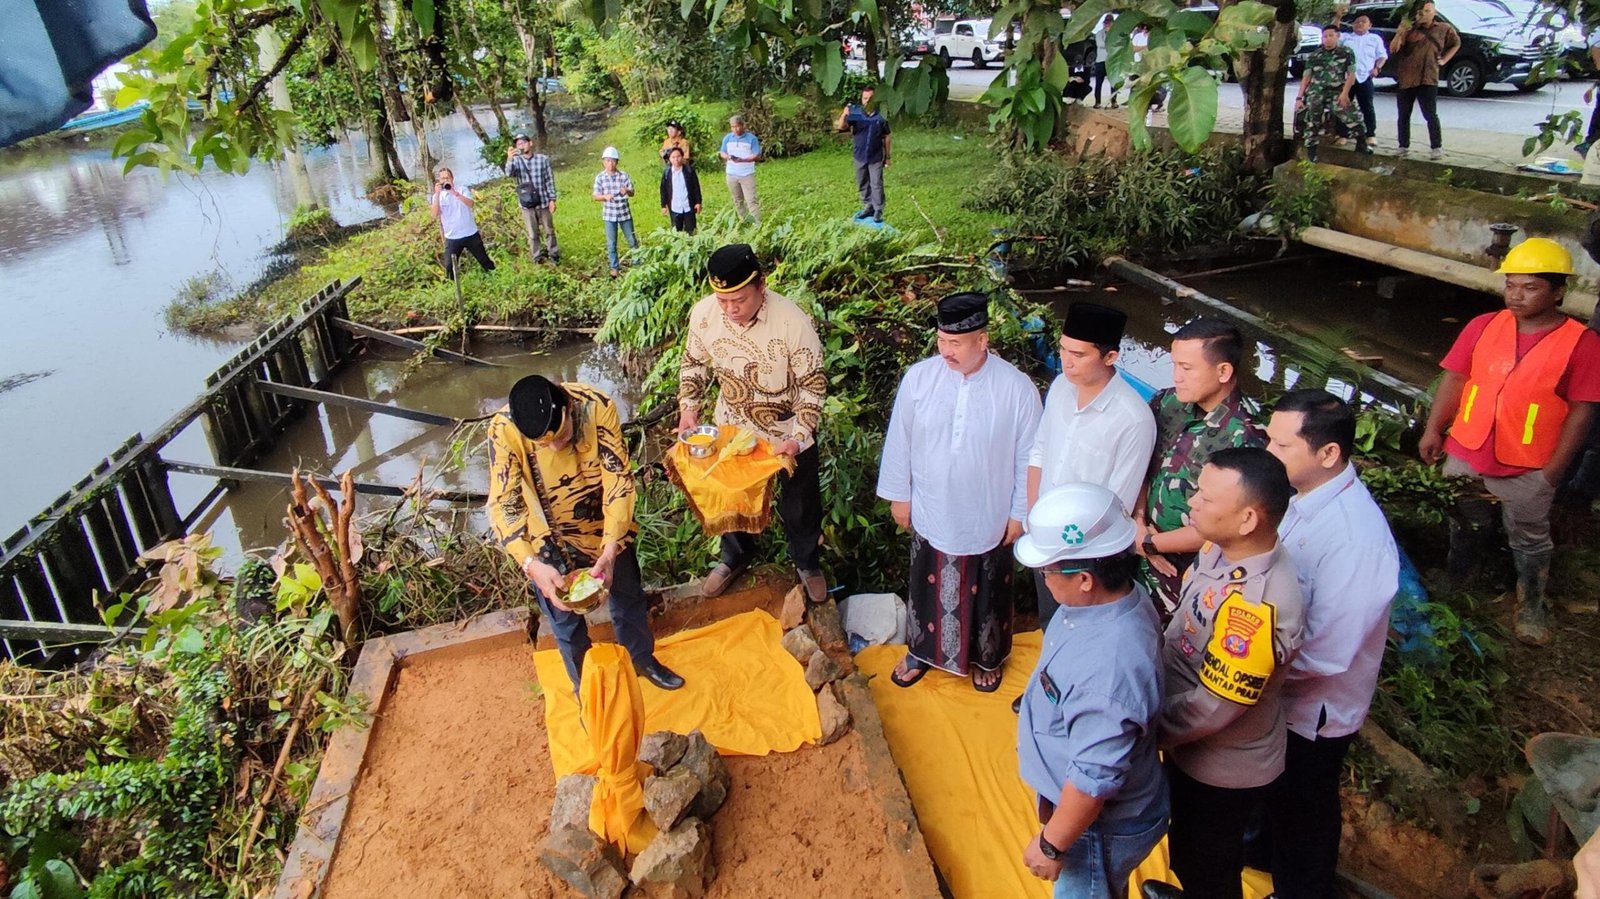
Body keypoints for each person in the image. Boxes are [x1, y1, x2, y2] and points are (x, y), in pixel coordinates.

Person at [1419, 237, 1600, 645]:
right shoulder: (1483, 326)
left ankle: (1531, 602)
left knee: (1529, 537)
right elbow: (1455, 379)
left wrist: (1553, 472)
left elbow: (1582, 413)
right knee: (1464, 518)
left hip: (1529, 463)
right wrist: (1434, 429)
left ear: (1558, 292)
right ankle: (1460, 577)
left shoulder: (1582, 343)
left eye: (1530, 287)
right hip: (1467, 449)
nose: (1516, 295)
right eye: (1511, 285)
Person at [1262, 390, 1399, 899]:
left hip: (1311, 709)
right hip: (1276, 689)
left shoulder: (1356, 539)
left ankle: (1300, 891)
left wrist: (1251, 680)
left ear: (1328, 453)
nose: (1269, 454)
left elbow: (1328, 650)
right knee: (1277, 797)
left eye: (1282, 446)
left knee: (1305, 806)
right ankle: (1263, 861)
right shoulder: (1299, 500)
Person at [1158, 447, 1305, 899]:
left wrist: (1143, 729)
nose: (1193, 502)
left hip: (1217, 762)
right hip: (1188, 742)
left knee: (1207, 867)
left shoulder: (1257, 608)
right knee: (1189, 850)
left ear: (1247, 520)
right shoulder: (1220, 548)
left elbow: (1212, 708)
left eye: (1206, 498)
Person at [877, 292, 1042, 692]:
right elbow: (900, 438)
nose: (946, 351)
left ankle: (987, 658)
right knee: (926, 583)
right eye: (941, 341)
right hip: (932, 505)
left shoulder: (1016, 388)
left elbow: (1031, 457)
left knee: (988, 589)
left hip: (988, 510)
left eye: (955, 343)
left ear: (982, 340)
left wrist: (1020, 512)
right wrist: (900, 494)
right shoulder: (920, 378)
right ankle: (921, 652)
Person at [1013, 483, 1168, 899]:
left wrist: (1052, 844)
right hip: (1097, 815)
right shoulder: (1107, 601)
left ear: (1084, 579)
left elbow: (1093, 777)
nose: (1044, 580)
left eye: (1047, 571)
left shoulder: (1108, 669)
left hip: (1097, 831)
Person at [486, 375, 684, 692]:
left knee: (628, 595)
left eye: (561, 436)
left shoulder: (597, 406)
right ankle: (587, 691)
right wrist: (531, 565)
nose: (556, 447)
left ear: (568, 406)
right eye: (545, 445)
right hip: (546, 539)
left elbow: (618, 480)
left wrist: (610, 549)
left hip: (604, 525)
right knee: (564, 621)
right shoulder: (504, 430)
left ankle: (642, 660)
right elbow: (504, 504)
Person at [677, 244, 828, 601]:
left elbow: (813, 387)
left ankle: (807, 562)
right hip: (733, 426)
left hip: (786, 431)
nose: (730, 309)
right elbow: (694, 364)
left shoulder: (792, 323)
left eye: (739, 300)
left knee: (800, 502)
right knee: (731, 494)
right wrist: (688, 408)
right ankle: (735, 556)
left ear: (761, 284)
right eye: (723, 300)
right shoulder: (704, 315)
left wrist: (799, 436)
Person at [1027, 302, 1156, 628]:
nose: (1066, 362)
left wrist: (1068, 552)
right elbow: (1040, 452)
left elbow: (1117, 505)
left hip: (1087, 556)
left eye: (1079, 354)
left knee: (1083, 629)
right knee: (1050, 622)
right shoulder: (1060, 387)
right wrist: (1034, 521)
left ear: (1110, 357)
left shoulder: (1133, 419)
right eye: (1062, 350)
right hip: (1045, 538)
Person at [1137, 318, 1266, 613]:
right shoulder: (1168, 403)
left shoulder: (1245, 438)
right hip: (1136, 551)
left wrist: (1151, 543)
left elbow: (1229, 525)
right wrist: (1138, 522)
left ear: (1223, 372)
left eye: (1187, 368)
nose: (1176, 376)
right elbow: (1140, 461)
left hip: (1185, 582)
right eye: (1174, 365)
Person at [1388, 0, 1458, 160]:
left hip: (1428, 77)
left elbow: (1456, 43)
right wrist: (1400, 33)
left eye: (1427, 11)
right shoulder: (1410, 29)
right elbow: (1394, 49)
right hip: (1407, 77)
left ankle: (1436, 147)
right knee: (1403, 114)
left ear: (1434, 13)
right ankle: (1403, 146)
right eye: (1421, 12)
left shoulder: (1443, 28)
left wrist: (1444, 60)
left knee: (1430, 114)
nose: (1423, 15)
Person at [1296, 25, 1369, 161]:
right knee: (1312, 121)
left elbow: (1351, 74)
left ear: (1337, 36)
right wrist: (1299, 98)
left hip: (1337, 91)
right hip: (1317, 91)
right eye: (1325, 36)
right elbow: (1306, 77)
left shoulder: (1346, 52)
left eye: (1331, 36)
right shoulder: (1315, 55)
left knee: (1352, 114)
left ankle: (1361, 143)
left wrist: (1345, 93)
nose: (1327, 39)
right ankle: (1312, 152)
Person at [836, 85, 892, 223]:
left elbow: (887, 136)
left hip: (875, 156)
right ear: (861, 99)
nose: (867, 101)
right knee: (862, 182)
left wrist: (887, 157)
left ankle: (878, 209)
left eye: (870, 98)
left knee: (876, 183)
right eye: (865, 98)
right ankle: (868, 206)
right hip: (859, 156)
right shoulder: (856, 114)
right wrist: (844, 114)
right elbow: (841, 127)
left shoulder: (881, 116)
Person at [504, 132, 560, 264]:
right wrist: (509, 159)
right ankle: (537, 257)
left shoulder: (542, 159)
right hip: (527, 204)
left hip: (543, 201)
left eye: (523, 142)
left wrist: (552, 199)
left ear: (530, 143)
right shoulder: (516, 161)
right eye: (518, 144)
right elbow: (509, 174)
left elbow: (549, 180)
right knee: (533, 233)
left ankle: (554, 255)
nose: (521, 145)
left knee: (549, 230)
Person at [430, 167, 494, 277]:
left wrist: (454, 193)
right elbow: (435, 214)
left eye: (448, 178)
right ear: (439, 180)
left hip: (470, 233)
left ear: (452, 178)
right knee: (449, 267)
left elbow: (471, 204)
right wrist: (437, 194)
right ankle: (453, 285)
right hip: (452, 237)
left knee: (484, 261)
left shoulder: (462, 189)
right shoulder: (438, 196)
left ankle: (494, 277)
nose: (446, 180)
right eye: (443, 178)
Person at [1340, 14, 1388, 143]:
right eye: (1357, 22)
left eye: (1363, 22)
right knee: (1344, 106)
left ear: (1369, 25)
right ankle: (1343, 134)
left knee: (1367, 106)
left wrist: (1377, 68)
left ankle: (1370, 134)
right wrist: (1338, 16)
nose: (1360, 24)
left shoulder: (1374, 39)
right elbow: (1333, 34)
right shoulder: (1346, 38)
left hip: (1364, 76)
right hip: (1347, 77)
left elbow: (1382, 56)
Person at [591, 146, 638, 278]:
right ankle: (614, 268)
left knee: (632, 240)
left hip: (624, 213)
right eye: (607, 161)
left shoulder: (623, 176)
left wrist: (627, 190)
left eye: (613, 161)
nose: (610, 164)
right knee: (611, 243)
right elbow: (595, 196)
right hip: (609, 215)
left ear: (617, 162)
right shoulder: (600, 178)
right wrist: (605, 197)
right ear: (603, 162)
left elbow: (632, 192)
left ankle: (638, 264)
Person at [719, 115, 763, 224]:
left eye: (737, 126)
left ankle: (757, 223)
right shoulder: (728, 138)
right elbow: (722, 152)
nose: (735, 129)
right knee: (737, 200)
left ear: (743, 125)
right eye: (733, 127)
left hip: (747, 174)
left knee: (751, 200)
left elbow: (756, 155)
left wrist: (744, 160)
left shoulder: (751, 138)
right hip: (731, 174)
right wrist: (728, 157)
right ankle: (744, 220)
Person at [658, 146, 702, 234]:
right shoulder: (667, 173)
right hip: (675, 206)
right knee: (677, 231)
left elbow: (696, 187)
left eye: (678, 156)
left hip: (688, 205)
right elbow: (663, 190)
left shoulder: (689, 171)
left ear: (682, 157)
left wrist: (698, 202)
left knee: (691, 230)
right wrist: (663, 205)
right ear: (669, 159)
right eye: (673, 157)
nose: (676, 159)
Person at [1092, 14, 1117, 109]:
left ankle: (1114, 101)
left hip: (1112, 60)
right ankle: (1097, 102)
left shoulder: (1115, 34)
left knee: (1113, 82)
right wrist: (1111, 43)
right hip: (1101, 60)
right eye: (1106, 23)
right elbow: (1100, 44)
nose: (1107, 25)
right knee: (1099, 82)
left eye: (1109, 23)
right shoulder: (1099, 33)